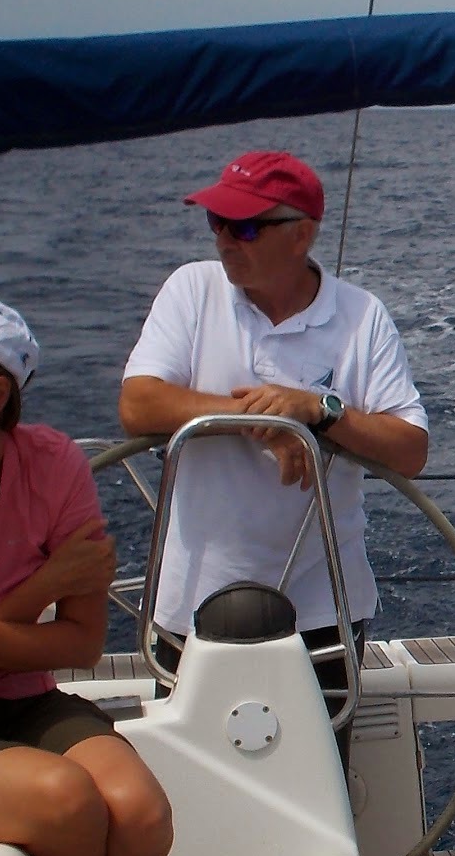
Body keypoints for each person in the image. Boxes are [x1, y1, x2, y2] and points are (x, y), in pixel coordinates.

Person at [119, 152, 428, 757]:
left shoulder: (361, 317)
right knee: (188, 800)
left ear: (302, 234)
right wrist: (265, 420)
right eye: (216, 222)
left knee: (316, 790)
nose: (224, 240)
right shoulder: (192, 290)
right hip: (191, 605)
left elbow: (410, 448)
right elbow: (139, 403)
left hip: (319, 607)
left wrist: (318, 411)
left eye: (245, 227)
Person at [0, 296, 218, 856]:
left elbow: (83, 643)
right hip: (16, 686)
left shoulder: (52, 466)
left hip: (23, 698)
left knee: (141, 814)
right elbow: (63, 614)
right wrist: (45, 587)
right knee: (65, 799)